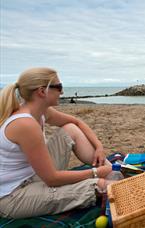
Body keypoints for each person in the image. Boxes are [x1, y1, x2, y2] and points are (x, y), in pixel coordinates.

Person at [0, 67, 112, 218]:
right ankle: (104, 174)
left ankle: (106, 168)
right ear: (42, 91)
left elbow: (76, 122)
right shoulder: (25, 124)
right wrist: (94, 173)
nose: (62, 92)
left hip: (33, 175)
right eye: (59, 87)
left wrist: (99, 147)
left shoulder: (40, 112)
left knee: (70, 129)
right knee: (101, 186)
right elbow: (52, 179)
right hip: (12, 196)